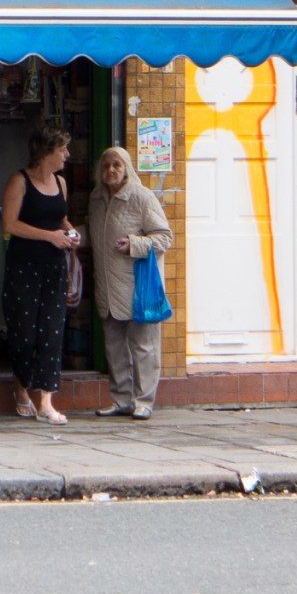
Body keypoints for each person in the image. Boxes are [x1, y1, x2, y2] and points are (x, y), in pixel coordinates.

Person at [87, 146, 174, 421]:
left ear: (126, 169)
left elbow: (164, 237)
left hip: (138, 289)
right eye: (105, 166)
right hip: (108, 289)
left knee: (144, 346)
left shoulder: (141, 197)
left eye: (117, 165)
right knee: (114, 347)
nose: (110, 170)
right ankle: (121, 399)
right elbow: (94, 234)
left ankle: (144, 401)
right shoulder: (96, 198)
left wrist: (134, 244)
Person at [1, 123, 79, 425]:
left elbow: (59, 217)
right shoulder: (19, 181)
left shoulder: (60, 183)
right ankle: (21, 389)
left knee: (52, 331)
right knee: (24, 331)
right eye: (62, 149)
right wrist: (49, 236)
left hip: (54, 266)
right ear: (47, 151)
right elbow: (10, 224)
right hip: (24, 266)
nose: (67, 155)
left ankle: (46, 400)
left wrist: (70, 232)